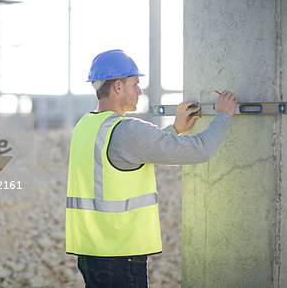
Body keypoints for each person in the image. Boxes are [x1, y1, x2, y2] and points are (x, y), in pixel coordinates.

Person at [65, 50, 237, 288]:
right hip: (120, 256)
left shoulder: (86, 126)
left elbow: (127, 156)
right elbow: (200, 150)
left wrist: (174, 130)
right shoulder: (127, 130)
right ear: (117, 87)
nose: (139, 91)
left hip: (92, 255)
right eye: (135, 84)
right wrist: (223, 116)